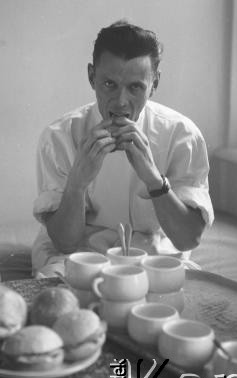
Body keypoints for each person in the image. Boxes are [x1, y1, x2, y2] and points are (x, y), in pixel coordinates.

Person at [32, 21, 214, 277]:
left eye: (135, 87)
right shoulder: (59, 136)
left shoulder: (182, 135)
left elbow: (187, 240)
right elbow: (65, 242)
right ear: (92, 77)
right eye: (109, 84)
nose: (120, 102)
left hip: (153, 254)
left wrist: (153, 178)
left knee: (183, 288)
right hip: (76, 255)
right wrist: (77, 183)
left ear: (155, 83)